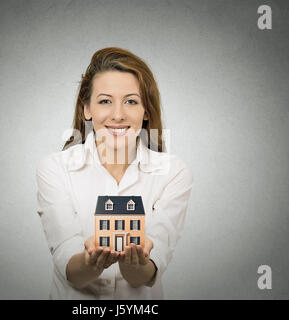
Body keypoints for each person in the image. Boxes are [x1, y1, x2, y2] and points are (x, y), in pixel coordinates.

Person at [36, 47, 194, 299]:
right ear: (87, 109)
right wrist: (89, 263)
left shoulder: (173, 172)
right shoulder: (55, 168)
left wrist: (137, 264)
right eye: (105, 101)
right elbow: (71, 269)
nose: (118, 115)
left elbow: (146, 273)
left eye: (131, 101)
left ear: (146, 112)